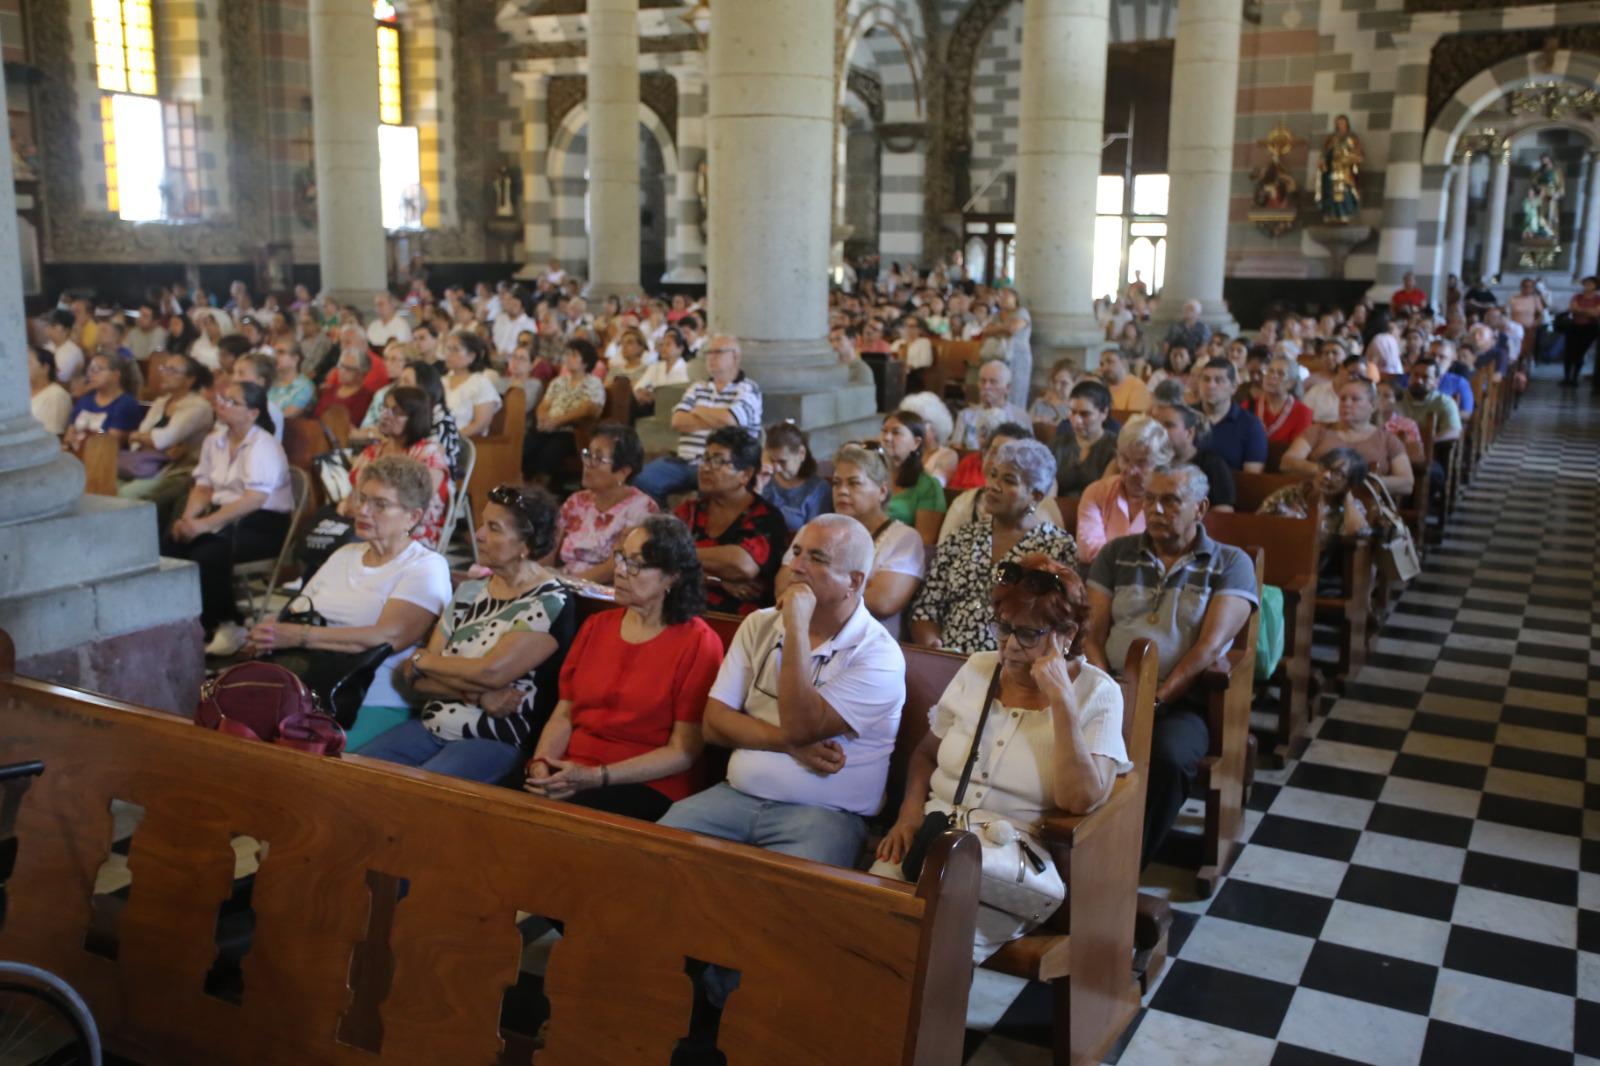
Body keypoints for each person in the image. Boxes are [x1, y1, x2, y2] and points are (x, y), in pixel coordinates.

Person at [875, 554, 1130, 962]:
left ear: (1066, 634)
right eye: (1005, 628)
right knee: (865, 918)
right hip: (932, 836)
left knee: (931, 940)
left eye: (1028, 633)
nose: (1010, 646)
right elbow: (925, 754)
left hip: (1006, 860)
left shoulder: (1097, 694)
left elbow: (1081, 800)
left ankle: (920, 1023)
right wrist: (908, 815)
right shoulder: (978, 668)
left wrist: (1062, 701)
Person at [658, 514, 905, 867]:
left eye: (817, 559)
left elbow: (801, 725)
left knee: (782, 901)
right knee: (649, 853)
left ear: (854, 581)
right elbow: (714, 724)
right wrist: (789, 744)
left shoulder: (879, 654)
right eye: (796, 552)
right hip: (735, 796)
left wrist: (796, 627)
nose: (796, 567)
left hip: (823, 815)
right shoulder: (758, 623)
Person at [1085, 464, 1255, 865]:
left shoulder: (1230, 563)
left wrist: (1156, 700)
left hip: (1180, 700)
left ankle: (1121, 870)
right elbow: (1091, 634)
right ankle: (1068, 855)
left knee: (1169, 759)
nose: (1156, 509)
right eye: (1150, 499)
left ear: (1200, 508)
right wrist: (1107, 690)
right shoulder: (1117, 554)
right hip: (1112, 689)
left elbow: (1209, 647)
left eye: (1171, 500)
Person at [367, 485, 572, 782]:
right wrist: (472, 693)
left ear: (525, 544)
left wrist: (422, 660)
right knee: (356, 770)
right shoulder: (469, 592)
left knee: (420, 792)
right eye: (482, 524)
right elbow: (416, 681)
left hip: (493, 738)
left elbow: (491, 673)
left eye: (494, 528)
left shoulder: (549, 601)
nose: (478, 535)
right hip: (432, 725)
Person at [525, 517, 723, 820]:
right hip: (570, 769)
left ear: (671, 577)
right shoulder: (596, 626)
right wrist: (542, 763)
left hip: (647, 782)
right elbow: (564, 712)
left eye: (636, 564)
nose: (618, 571)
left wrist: (596, 776)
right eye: (620, 558)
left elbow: (683, 752)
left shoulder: (699, 642)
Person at [247, 456, 452, 749]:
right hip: (308, 685)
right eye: (362, 498)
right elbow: (295, 613)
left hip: (369, 699)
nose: (363, 510)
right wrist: (270, 632)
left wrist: (299, 636)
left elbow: (386, 637)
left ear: (413, 516)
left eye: (380, 504)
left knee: (302, 756)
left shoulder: (425, 566)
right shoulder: (344, 554)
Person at [162, 381, 295, 657]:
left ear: (253, 413)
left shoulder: (263, 444)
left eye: (232, 401)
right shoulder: (215, 440)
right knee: (171, 547)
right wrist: (188, 519)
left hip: (261, 523)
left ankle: (227, 624)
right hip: (222, 516)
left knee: (206, 553)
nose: (222, 404)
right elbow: (204, 487)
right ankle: (184, 623)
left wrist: (204, 525)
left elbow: (254, 499)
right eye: (221, 399)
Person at [910, 439, 1076, 654]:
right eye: (993, 475)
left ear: (1035, 496)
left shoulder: (1056, 546)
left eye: (1009, 480)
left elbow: (1057, 622)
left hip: (1016, 661)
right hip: (949, 656)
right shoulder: (963, 536)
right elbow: (926, 607)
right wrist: (933, 645)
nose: (993, 486)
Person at [776, 443, 923, 639]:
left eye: (854, 483)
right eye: (836, 483)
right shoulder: (813, 529)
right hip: (802, 633)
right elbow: (782, 586)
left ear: (882, 491)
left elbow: (883, 602)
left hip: (866, 643)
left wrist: (805, 592)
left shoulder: (904, 538)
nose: (842, 491)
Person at [674, 425, 791, 616]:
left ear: (745, 474)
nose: (705, 467)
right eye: (705, 458)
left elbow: (742, 565)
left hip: (742, 625)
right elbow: (658, 557)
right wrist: (715, 579)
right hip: (683, 614)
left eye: (718, 461)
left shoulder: (765, 517)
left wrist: (679, 555)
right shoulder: (689, 510)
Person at [634, 335, 764, 506]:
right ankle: (665, 526)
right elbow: (678, 420)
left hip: (724, 465)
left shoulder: (748, 389)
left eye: (718, 352)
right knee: (643, 480)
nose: (711, 358)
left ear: (735, 356)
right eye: (708, 353)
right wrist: (718, 418)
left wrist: (697, 411)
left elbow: (731, 420)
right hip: (685, 461)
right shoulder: (698, 387)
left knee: (712, 491)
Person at [337, 387, 453, 550]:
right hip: (365, 526)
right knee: (327, 539)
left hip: (409, 533)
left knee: (344, 545)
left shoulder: (428, 454)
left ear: (415, 418)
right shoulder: (372, 452)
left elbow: (416, 504)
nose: (386, 415)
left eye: (396, 411)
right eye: (384, 408)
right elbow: (352, 499)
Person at [553, 422, 659, 582]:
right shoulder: (577, 501)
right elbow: (548, 549)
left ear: (623, 472)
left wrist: (565, 586)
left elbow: (613, 567)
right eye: (588, 454)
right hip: (562, 584)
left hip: (602, 592)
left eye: (598, 458)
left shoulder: (642, 510)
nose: (587, 464)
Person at [119, 354, 216, 518]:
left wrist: (146, 438)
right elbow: (136, 438)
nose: (164, 373)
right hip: (144, 463)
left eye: (172, 370)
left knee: (125, 494)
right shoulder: (161, 402)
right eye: (164, 368)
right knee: (105, 485)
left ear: (189, 380)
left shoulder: (199, 406)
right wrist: (145, 439)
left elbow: (164, 438)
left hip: (177, 471)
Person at [1281, 378, 1414, 497]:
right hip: (1317, 501)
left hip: (1366, 508)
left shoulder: (1387, 439)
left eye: (1355, 399)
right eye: (1343, 399)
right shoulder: (1318, 431)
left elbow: (1407, 482)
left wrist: (1359, 480)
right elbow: (1287, 462)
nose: (1346, 403)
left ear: (1372, 405)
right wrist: (1330, 473)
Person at [1077, 415, 1174, 563]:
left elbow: (1167, 554)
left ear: (1161, 465)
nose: (1130, 470)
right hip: (1101, 581)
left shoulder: (1173, 502)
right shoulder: (1097, 492)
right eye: (1125, 459)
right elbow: (1087, 551)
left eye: (1141, 463)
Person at [523, 338, 606, 483]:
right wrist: (542, 419)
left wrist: (557, 421)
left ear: (585, 362)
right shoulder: (558, 381)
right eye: (567, 355)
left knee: (548, 453)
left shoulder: (593, 382)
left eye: (573, 356)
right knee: (526, 447)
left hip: (573, 431)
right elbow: (544, 404)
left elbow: (588, 408)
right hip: (548, 427)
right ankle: (523, 488)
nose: (568, 358)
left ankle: (540, 491)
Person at [1257, 447, 1371, 542]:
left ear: (1349, 484)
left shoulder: (1351, 507)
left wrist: (1347, 498)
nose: (1326, 475)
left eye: (1337, 474)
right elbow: (1256, 524)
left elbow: (1359, 532)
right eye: (1324, 467)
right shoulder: (1289, 494)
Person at [1149, 402, 1237, 513]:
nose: (1160, 431)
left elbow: (1224, 512)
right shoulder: (1151, 461)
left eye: (1169, 425)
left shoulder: (1213, 464)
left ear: (1189, 433)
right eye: (1157, 425)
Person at [1192, 359, 1267, 472]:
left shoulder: (1250, 425)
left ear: (1233, 388)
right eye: (1206, 379)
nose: (1211, 385)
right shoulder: (1185, 416)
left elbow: (1252, 478)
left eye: (1219, 380)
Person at [757, 421, 831, 533]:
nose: (777, 468)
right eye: (772, 460)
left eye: (783, 462)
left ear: (801, 453)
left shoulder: (818, 490)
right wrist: (757, 487)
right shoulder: (764, 481)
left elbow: (817, 534)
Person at [1051, 380, 1120, 495]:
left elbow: (1105, 494)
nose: (1076, 421)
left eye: (1085, 414)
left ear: (1104, 413)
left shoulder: (1115, 447)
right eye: (1073, 412)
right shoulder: (1058, 444)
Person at [881, 409, 948, 525]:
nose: (887, 438)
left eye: (896, 432)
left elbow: (925, 540)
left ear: (916, 443)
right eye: (884, 431)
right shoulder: (873, 477)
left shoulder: (928, 487)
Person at [64, 353, 143, 450]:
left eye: (97, 369)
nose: (90, 374)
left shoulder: (126, 404)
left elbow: (111, 443)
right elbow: (69, 436)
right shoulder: (85, 400)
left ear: (116, 375)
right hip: (77, 454)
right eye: (89, 369)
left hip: (105, 459)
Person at [953, 360, 1032, 450]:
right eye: (983, 381)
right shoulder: (966, 416)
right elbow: (957, 450)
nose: (986, 387)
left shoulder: (1020, 417)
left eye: (993, 382)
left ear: (1008, 388)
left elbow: (1028, 451)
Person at [440, 330, 501, 438]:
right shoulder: (441, 381)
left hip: (467, 444)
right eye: (448, 349)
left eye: (455, 349)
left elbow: (480, 424)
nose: (449, 354)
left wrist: (452, 439)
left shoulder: (480, 383)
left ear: (471, 356)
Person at [982, 288, 1033, 409]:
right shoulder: (996, 315)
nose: (1002, 297)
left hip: (1018, 358)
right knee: (996, 390)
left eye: (1006, 295)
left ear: (1015, 298)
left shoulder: (1021, 312)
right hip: (998, 356)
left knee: (1015, 393)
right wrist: (1003, 328)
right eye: (1000, 295)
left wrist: (997, 329)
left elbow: (1013, 329)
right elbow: (986, 330)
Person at [896, 391, 960, 485]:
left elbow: (936, 485)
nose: (911, 428)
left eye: (918, 423)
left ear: (934, 426)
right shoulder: (909, 452)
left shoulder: (948, 455)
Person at [1248, 354, 1313, 446]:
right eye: (1270, 371)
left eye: (1280, 373)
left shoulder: (1303, 413)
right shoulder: (1248, 405)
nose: (1273, 376)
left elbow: (1297, 451)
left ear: (1291, 383)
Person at [632, 326, 690, 412]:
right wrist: (644, 393)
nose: (663, 348)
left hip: (674, 407)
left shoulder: (686, 368)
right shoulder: (655, 366)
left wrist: (654, 396)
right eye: (662, 344)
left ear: (680, 349)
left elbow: (677, 394)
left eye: (668, 344)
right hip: (651, 405)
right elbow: (639, 387)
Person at [28, 345, 72, 436]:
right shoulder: (21, 392)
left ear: (45, 368)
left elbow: (53, 436)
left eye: (27, 363)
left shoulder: (56, 396)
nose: (21, 368)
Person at [1564, 276, 1600, 389]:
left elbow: (1595, 313)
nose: (1587, 286)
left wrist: (1580, 311)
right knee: (1569, 351)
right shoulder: (1577, 297)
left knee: (1580, 352)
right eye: (1586, 283)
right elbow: (1572, 308)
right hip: (1574, 326)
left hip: (1589, 328)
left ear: (1595, 286)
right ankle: (1566, 377)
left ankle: (1575, 377)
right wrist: (1587, 311)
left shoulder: (1597, 299)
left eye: (1590, 284)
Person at [268, 336, 316, 419]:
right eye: (274, 352)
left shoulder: (304, 387)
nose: (275, 356)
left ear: (295, 359)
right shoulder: (270, 380)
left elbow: (286, 416)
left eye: (281, 352)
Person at [1098, 349, 1151, 414]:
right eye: (1101, 364)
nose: (1104, 368)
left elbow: (1133, 418)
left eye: (1110, 362)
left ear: (1124, 363)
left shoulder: (1137, 386)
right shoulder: (1101, 386)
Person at [1028, 359, 1076, 426]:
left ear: (1075, 384)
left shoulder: (1076, 409)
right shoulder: (1040, 404)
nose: (1057, 387)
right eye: (1054, 382)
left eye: (1064, 383)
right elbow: (1024, 428)